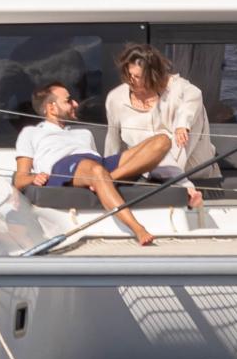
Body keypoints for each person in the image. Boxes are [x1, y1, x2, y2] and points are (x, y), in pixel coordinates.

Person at [10, 80, 175, 247]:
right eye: (68, 101)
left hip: (96, 165)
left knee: (162, 140)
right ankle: (137, 228)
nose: (75, 104)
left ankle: (107, 179)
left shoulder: (84, 133)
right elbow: (20, 178)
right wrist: (34, 178)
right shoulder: (31, 133)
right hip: (64, 167)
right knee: (96, 170)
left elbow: (96, 165)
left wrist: (103, 176)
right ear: (51, 108)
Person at [104, 45, 214, 205]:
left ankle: (178, 181)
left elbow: (194, 94)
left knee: (188, 112)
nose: (131, 80)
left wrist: (182, 125)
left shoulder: (176, 87)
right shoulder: (116, 98)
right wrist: (106, 170)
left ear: (152, 74)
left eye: (137, 76)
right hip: (146, 165)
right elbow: (113, 140)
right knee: (151, 143)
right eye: (128, 74)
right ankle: (183, 185)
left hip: (189, 163)